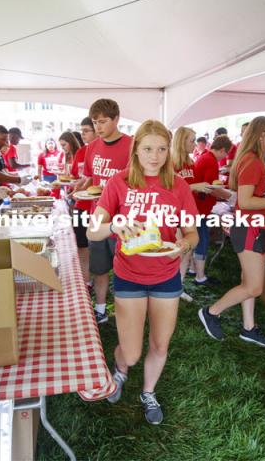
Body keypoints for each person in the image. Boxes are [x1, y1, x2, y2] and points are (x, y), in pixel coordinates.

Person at [87, 119, 199, 425]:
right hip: (129, 275)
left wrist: (183, 246)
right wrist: (114, 225)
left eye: (162, 149)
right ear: (136, 149)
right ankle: (121, 369)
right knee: (132, 352)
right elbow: (93, 231)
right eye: (148, 148)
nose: (155, 156)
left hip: (166, 276)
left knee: (160, 344)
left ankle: (148, 391)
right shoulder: (119, 182)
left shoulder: (179, 186)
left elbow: (192, 234)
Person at [198, 116, 265, 346]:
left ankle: (249, 328)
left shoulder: (254, 160)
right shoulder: (252, 162)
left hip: (255, 228)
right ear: (260, 135)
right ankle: (211, 312)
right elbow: (246, 201)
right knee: (254, 286)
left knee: (247, 280)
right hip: (250, 228)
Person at [80, 98, 133, 324]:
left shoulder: (132, 145)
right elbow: (89, 179)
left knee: (125, 269)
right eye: (95, 122)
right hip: (97, 218)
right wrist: (78, 190)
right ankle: (100, 309)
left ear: (116, 119)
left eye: (103, 122)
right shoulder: (91, 147)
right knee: (99, 267)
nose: (98, 127)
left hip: (123, 218)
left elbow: (138, 181)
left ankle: (127, 311)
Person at [171, 126, 213, 300]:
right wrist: (194, 187)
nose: (195, 144)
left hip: (188, 212)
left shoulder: (190, 162)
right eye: (192, 140)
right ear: (182, 141)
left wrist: (201, 188)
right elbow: (169, 190)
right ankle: (171, 285)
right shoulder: (170, 162)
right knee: (177, 251)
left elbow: (189, 188)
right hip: (174, 214)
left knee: (187, 250)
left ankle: (179, 285)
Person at [192, 134, 232, 286]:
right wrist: (230, 196)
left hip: (198, 205)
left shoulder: (205, 156)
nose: (225, 157)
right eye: (225, 154)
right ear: (222, 150)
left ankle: (192, 269)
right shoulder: (211, 161)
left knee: (197, 237)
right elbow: (211, 188)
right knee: (202, 239)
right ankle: (200, 277)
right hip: (200, 207)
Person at [69, 118, 98, 289]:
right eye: (82, 130)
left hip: (98, 208)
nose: (83, 134)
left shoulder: (105, 152)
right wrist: (74, 188)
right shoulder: (81, 152)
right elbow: (79, 177)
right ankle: (85, 281)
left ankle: (97, 276)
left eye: (87, 130)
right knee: (81, 245)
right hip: (81, 205)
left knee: (96, 247)